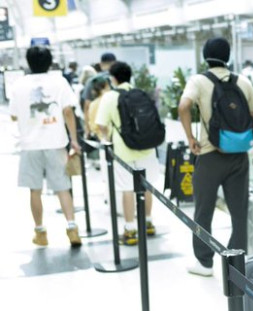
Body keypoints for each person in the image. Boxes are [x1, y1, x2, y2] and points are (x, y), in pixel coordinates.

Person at [178, 37, 253, 276]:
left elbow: (183, 106)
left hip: (209, 155)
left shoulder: (198, 81)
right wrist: (237, 135)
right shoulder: (243, 81)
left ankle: (205, 263)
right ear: (228, 55)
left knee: (203, 210)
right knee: (239, 211)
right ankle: (236, 266)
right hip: (239, 157)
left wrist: (190, 138)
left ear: (205, 55)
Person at [8, 45, 82, 248]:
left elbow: (13, 114)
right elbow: (68, 112)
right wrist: (74, 140)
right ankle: (72, 227)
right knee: (63, 188)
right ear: (50, 62)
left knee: (35, 190)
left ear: (27, 63)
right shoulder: (59, 82)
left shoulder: (18, 85)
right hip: (56, 143)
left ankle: (40, 232)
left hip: (29, 145)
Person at [95, 62, 159, 245]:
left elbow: (101, 125)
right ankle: (148, 223)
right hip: (147, 148)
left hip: (124, 152)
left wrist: (108, 138)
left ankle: (130, 230)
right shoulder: (141, 93)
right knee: (147, 187)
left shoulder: (109, 97)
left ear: (113, 78)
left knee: (127, 190)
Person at [83, 53, 116, 134]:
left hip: (99, 127)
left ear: (101, 64)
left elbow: (87, 106)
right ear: (115, 63)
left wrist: (87, 128)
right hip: (118, 126)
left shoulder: (92, 81)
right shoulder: (119, 79)